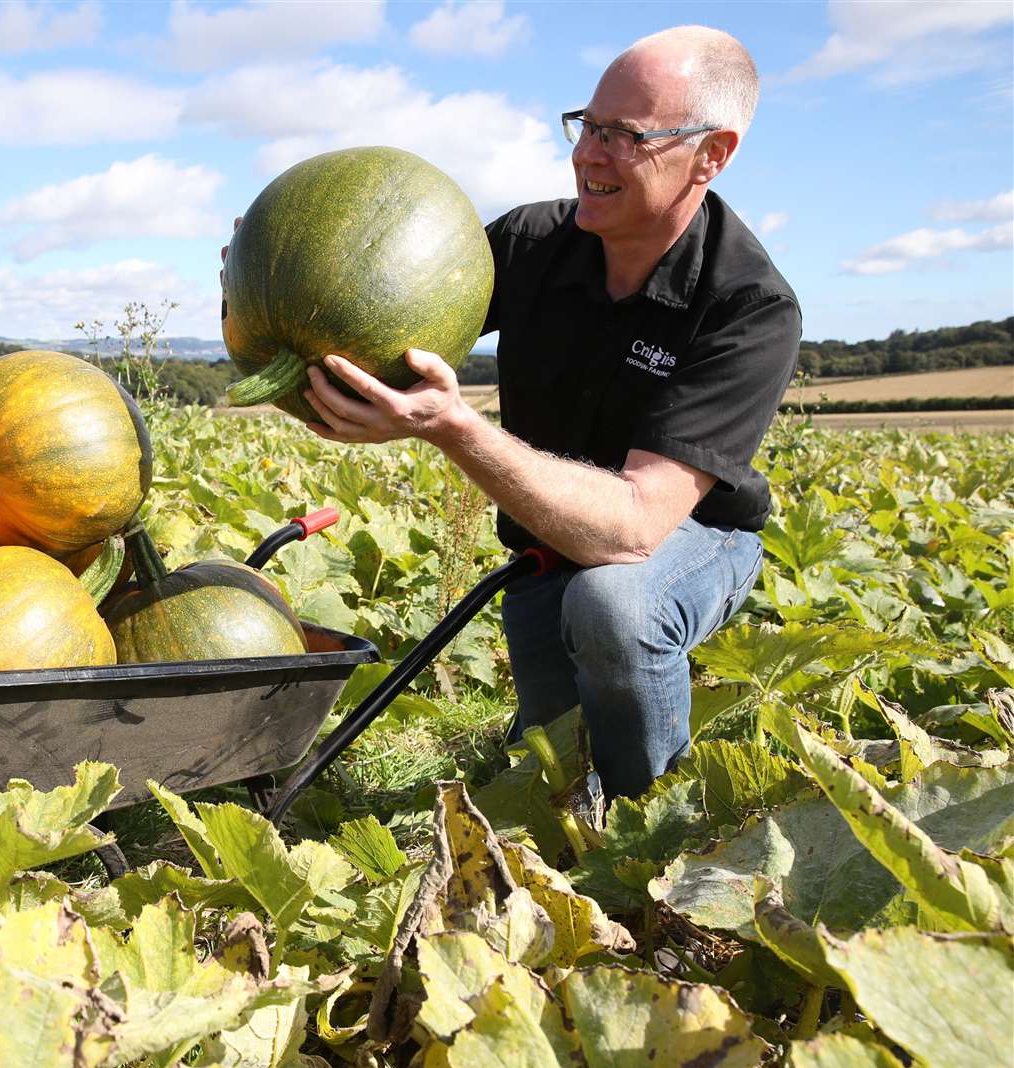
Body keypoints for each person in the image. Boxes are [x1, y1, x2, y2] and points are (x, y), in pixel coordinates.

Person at [233, 26, 800, 800]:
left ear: (711, 154)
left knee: (613, 607)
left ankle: (657, 838)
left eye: (625, 136)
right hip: (547, 544)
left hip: (689, 538)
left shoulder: (747, 306)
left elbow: (635, 527)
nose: (589, 155)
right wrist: (265, 288)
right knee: (557, 773)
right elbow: (370, 325)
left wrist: (454, 427)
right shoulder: (530, 243)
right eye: (587, 126)